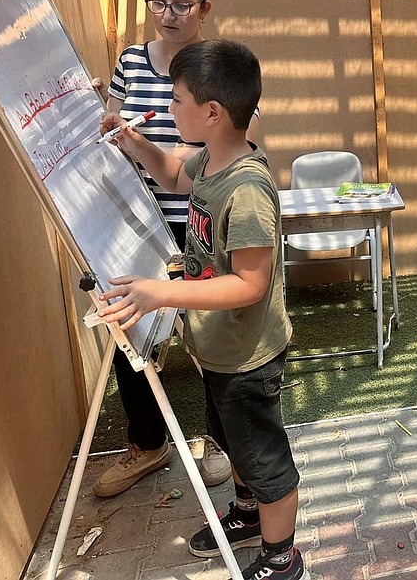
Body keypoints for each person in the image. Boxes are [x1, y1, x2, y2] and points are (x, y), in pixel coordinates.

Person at [97, 39, 303, 579]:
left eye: (176, 99)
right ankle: (245, 514)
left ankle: (283, 557)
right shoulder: (210, 159)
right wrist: (134, 142)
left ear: (211, 112)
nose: (169, 108)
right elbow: (170, 174)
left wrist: (160, 292)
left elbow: (250, 284)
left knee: (264, 459)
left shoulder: (248, 188)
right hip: (217, 348)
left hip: (248, 356)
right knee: (231, 440)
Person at [91, 0, 260, 497]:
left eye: (180, 4)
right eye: (157, 2)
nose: (167, 14)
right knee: (130, 330)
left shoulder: (218, 68)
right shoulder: (131, 62)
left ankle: (222, 440)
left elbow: (230, 150)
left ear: (203, 10)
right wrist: (97, 109)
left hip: (196, 220)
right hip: (130, 218)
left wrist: (155, 150)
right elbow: (113, 129)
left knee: (207, 331)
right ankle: (148, 442)